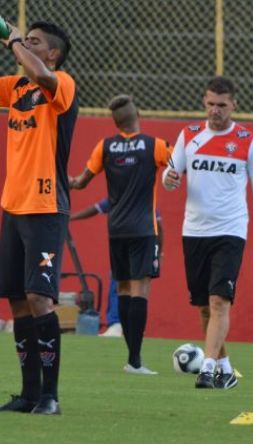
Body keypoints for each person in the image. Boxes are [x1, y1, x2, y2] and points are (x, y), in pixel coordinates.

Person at [0, 20, 76, 415]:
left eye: (36, 42)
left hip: (45, 209)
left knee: (41, 298)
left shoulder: (61, 82)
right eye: (27, 40)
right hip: (13, 207)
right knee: (18, 303)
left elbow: (39, 73)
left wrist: (17, 40)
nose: (25, 45)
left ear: (52, 53)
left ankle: (51, 397)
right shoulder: (15, 87)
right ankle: (28, 395)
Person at [162, 77, 253, 390]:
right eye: (211, 104)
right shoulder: (190, 135)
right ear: (204, 102)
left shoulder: (248, 140)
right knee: (204, 307)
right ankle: (225, 368)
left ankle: (208, 369)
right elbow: (170, 172)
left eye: (222, 105)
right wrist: (169, 179)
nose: (215, 111)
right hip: (194, 231)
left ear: (234, 105)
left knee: (219, 302)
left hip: (230, 230)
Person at [70, 95, 171, 375]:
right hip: (143, 229)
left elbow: (80, 182)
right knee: (140, 290)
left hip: (116, 231)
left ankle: (132, 359)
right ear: (137, 113)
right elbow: (178, 163)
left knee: (124, 289)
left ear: (115, 122)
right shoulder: (154, 145)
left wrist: (60, 179)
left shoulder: (105, 146)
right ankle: (135, 361)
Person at [70, 198, 165, 339]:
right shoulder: (123, 196)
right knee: (127, 286)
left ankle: (122, 325)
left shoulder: (137, 197)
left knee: (129, 287)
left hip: (138, 246)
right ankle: (126, 326)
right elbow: (95, 208)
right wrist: (70, 218)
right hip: (131, 246)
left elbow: (158, 224)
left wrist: (159, 252)